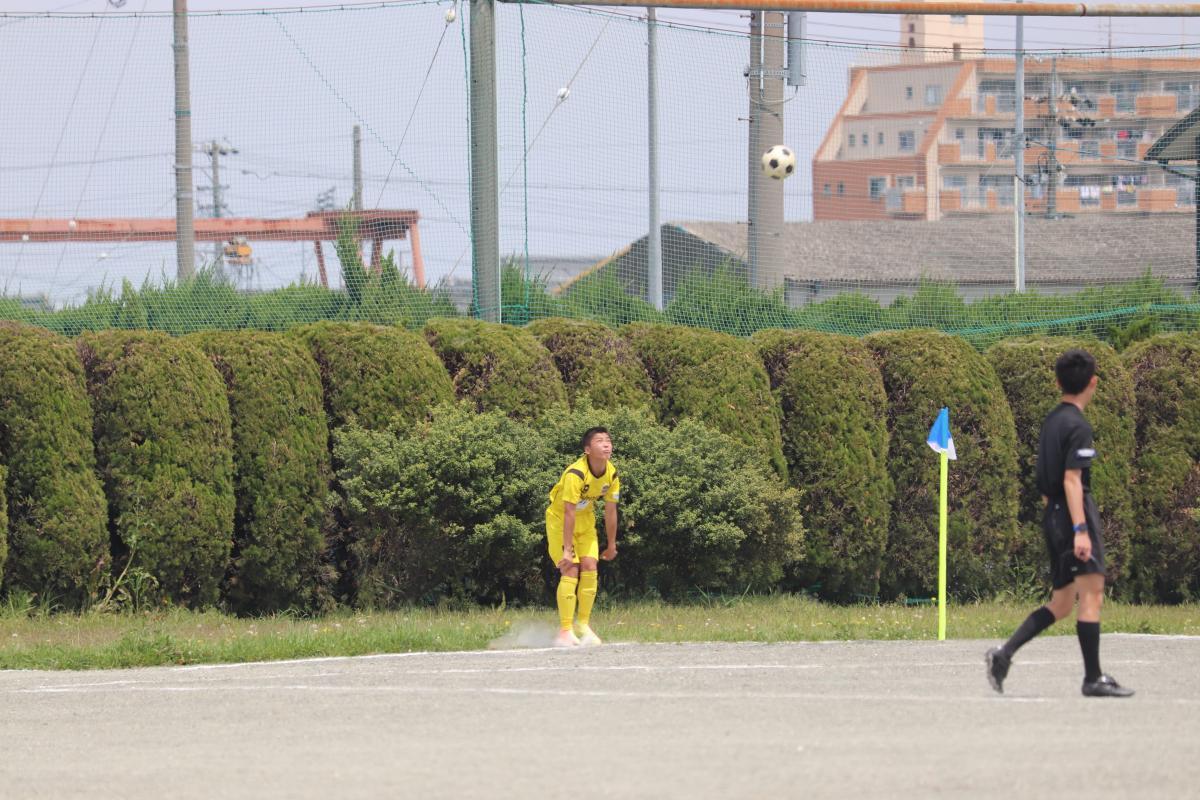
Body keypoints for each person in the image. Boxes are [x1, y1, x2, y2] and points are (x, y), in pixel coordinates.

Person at [986, 349, 1134, 698]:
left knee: (1063, 603)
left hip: (1052, 514)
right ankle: (1093, 678)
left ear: (1057, 383)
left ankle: (1004, 655)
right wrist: (1080, 529)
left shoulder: (1051, 421)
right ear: (1093, 382)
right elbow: (1072, 480)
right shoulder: (1078, 426)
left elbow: (1044, 478)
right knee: (1092, 595)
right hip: (1073, 515)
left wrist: (1056, 520)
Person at [546, 427, 619, 648]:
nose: (606, 444)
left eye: (608, 440)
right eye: (599, 441)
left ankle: (583, 625)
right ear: (587, 450)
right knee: (570, 568)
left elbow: (610, 510)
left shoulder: (611, 473)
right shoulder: (575, 474)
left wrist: (612, 544)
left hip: (586, 522)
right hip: (560, 522)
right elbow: (568, 512)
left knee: (590, 566)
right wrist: (567, 550)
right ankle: (565, 631)